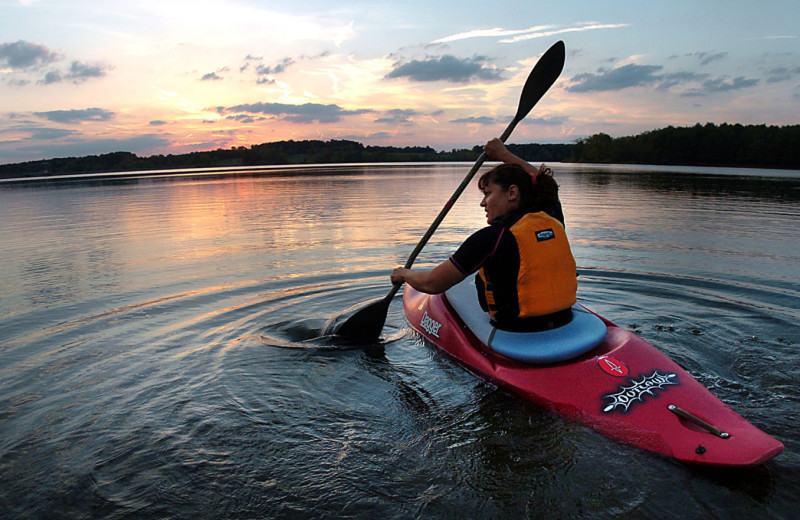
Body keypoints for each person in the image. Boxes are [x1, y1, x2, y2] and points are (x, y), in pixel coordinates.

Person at [390, 138, 577, 331]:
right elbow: (546, 183)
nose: (483, 203)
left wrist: (404, 274)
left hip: (518, 329)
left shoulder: (491, 238)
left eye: (488, 193)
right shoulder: (552, 217)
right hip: (563, 320)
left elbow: (432, 284)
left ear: (512, 193)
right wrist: (504, 155)